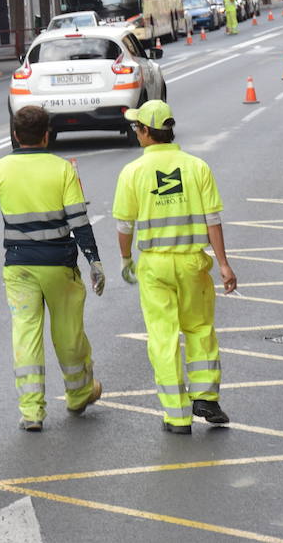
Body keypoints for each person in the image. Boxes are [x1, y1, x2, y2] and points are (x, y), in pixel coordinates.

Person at [0, 105, 105, 432]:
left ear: (15, 135)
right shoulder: (62, 170)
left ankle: (31, 412)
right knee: (68, 332)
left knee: (25, 333)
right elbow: (79, 221)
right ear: (47, 135)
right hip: (59, 267)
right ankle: (79, 395)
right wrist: (94, 260)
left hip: (20, 268)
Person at [113, 100, 237, 434]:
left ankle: (177, 416)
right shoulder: (197, 167)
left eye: (136, 127)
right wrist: (224, 264)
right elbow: (213, 221)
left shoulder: (132, 173)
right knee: (199, 328)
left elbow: (124, 227)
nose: (134, 132)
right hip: (192, 262)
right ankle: (206, 398)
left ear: (145, 132)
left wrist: (126, 260)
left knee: (163, 336)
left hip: (154, 266)